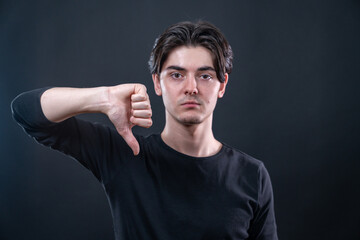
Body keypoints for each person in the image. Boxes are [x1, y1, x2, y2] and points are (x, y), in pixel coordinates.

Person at [11, 21, 278, 240]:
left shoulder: (252, 175)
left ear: (222, 85)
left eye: (205, 75)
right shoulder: (126, 154)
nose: (191, 87)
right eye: (176, 74)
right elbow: (26, 111)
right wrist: (103, 97)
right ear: (157, 83)